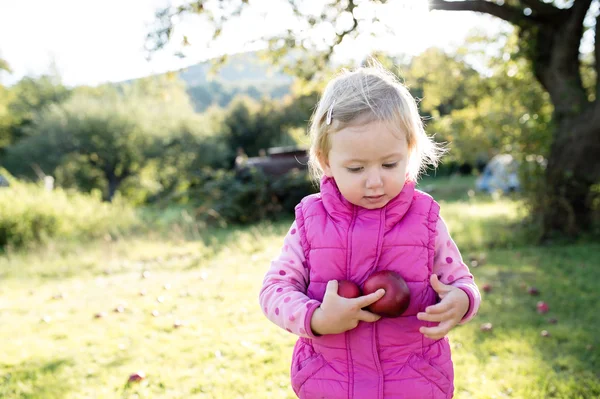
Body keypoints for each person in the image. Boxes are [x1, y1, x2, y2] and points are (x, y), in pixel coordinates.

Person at [259, 60, 481, 399]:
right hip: (330, 383)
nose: (375, 181)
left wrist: (462, 300)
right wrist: (316, 318)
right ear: (325, 160)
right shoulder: (310, 221)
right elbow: (274, 290)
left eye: (390, 164)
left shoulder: (426, 218)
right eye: (356, 167)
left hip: (413, 382)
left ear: (409, 152)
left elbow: (460, 280)